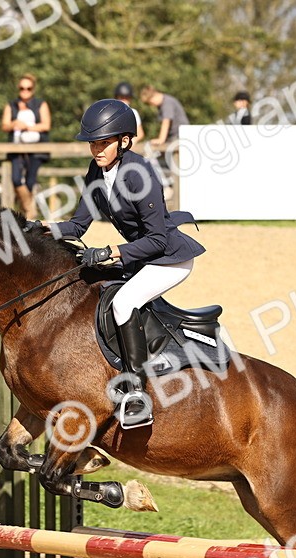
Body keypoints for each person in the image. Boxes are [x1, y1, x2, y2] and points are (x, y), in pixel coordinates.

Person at [49, 99, 205, 429]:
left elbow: (158, 240)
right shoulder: (96, 171)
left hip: (168, 259)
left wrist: (110, 251)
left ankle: (136, 393)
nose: (96, 149)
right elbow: (77, 226)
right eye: (93, 143)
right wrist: (38, 228)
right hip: (141, 256)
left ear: (124, 141)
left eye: (103, 142)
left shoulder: (140, 174)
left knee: (123, 302)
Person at [1, 73, 52, 217]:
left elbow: (46, 125)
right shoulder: (11, 105)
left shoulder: (41, 104)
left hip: (36, 148)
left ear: (33, 89)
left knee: (30, 182)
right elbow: (4, 125)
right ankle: (29, 209)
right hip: (16, 147)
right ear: (18, 88)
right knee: (16, 179)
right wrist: (14, 124)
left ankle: (26, 214)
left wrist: (28, 127)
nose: (25, 91)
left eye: (28, 88)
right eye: (22, 88)